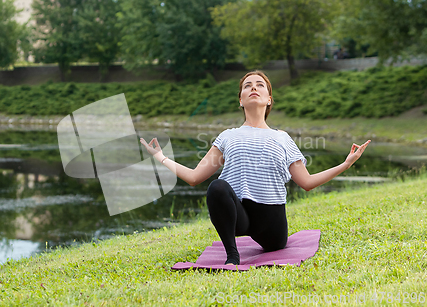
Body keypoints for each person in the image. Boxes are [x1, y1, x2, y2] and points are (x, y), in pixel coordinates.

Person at [140, 70, 371, 265]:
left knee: (269, 234)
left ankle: (245, 247)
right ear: (240, 100)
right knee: (217, 187)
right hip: (240, 217)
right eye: (247, 86)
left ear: (269, 99)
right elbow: (194, 177)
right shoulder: (227, 137)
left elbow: (307, 182)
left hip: (271, 224)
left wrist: (345, 164)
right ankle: (232, 255)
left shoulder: (282, 138)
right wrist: (161, 157)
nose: (253, 88)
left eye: (260, 85)